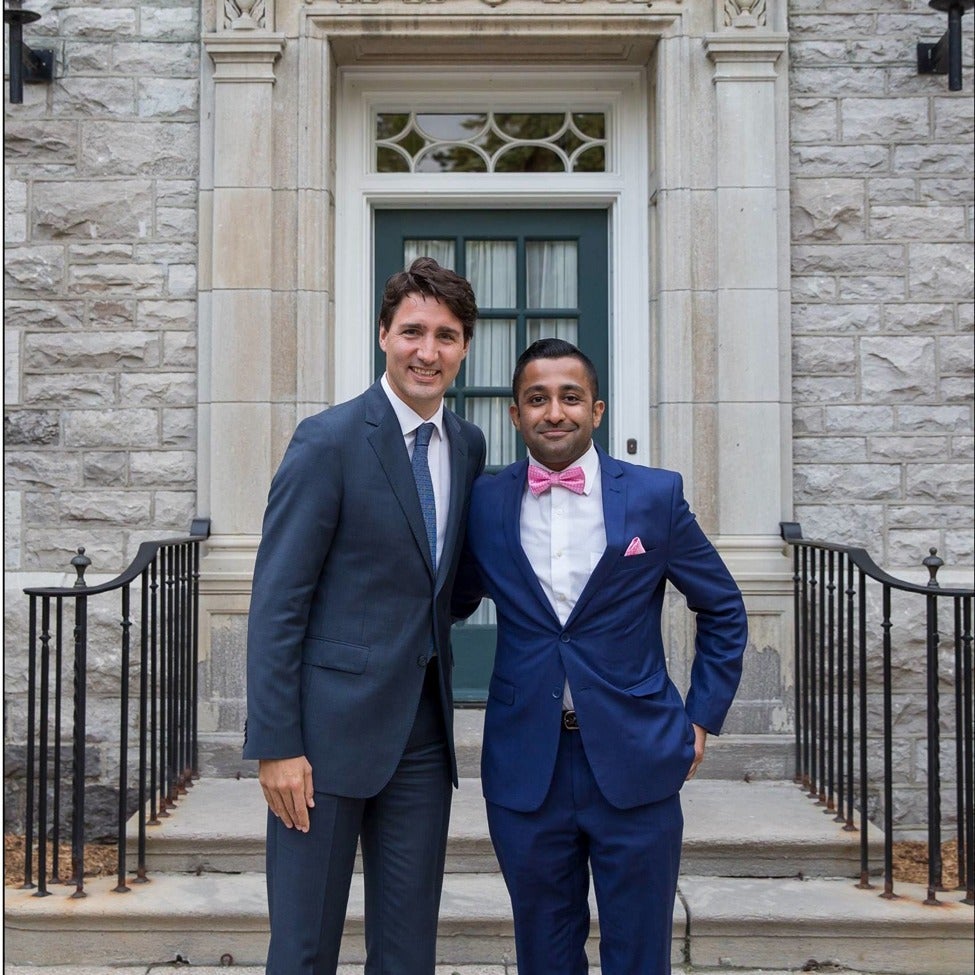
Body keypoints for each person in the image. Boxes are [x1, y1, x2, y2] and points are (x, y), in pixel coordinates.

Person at [454, 338, 747, 975]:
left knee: (640, 954)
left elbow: (723, 607)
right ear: (515, 414)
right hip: (527, 766)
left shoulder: (654, 497)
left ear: (597, 409)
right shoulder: (483, 503)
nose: (553, 411)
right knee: (545, 952)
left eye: (569, 397)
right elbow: (446, 602)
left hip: (637, 754)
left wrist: (700, 718)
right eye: (537, 398)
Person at [243, 257, 486, 975]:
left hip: (421, 738)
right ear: (384, 335)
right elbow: (278, 602)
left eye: (445, 335)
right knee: (303, 947)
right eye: (412, 330)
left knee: (409, 952)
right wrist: (277, 745)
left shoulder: (468, 446)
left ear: (464, 347)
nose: (427, 350)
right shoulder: (329, 440)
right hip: (321, 740)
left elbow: (449, 582)